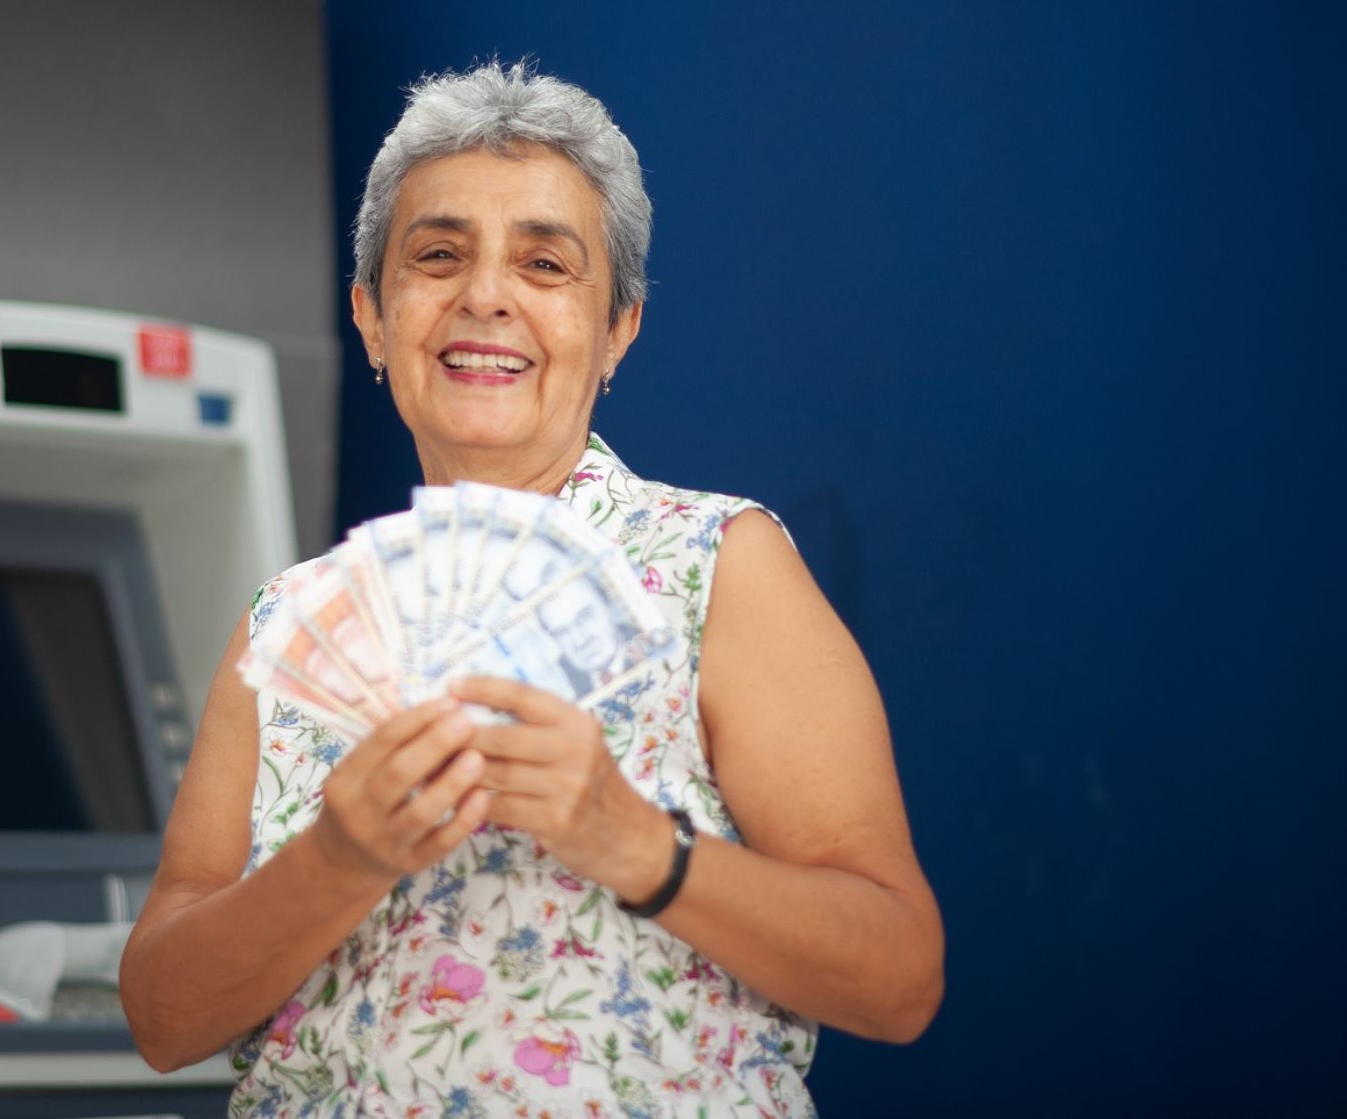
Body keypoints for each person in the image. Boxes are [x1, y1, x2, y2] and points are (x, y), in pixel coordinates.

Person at [120, 60, 943, 1118]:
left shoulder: (721, 567)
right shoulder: (293, 621)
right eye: (438, 255)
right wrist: (339, 854)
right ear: (373, 317)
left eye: (547, 264)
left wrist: (632, 838)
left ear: (617, 330)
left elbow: (899, 974)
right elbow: (161, 1016)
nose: (486, 295)